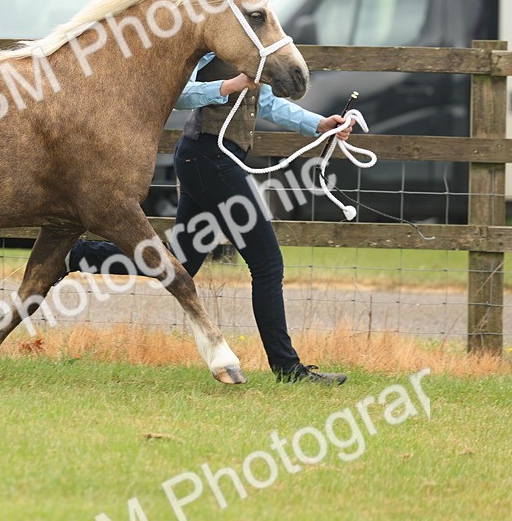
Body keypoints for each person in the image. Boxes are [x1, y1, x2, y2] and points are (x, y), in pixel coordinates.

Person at [65, 52, 355, 385]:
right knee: (268, 264)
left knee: (182, 263)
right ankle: (288, 369)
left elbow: (269, 104)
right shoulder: (215, 47)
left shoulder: (256, 51)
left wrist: (318, 124)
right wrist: (230, 85)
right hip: (208, 159)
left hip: (209, 161)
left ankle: (75, 255)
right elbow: (181, 94)